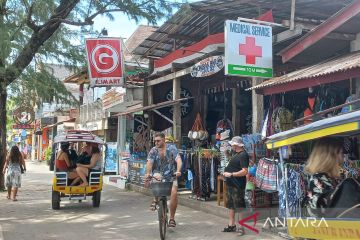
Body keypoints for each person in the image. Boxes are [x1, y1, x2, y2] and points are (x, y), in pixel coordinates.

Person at [145, 133, 182, 228]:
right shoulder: (153, 150)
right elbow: (149, 163)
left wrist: (178, 171)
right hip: (158, 174)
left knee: (174, 193)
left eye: (158, 140)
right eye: (155, 141)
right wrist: (148, 174)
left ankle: (172, 219)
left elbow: (178, 160)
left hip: (171, 175)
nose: (156, 142)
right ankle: (155, 199)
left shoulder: (172, 148)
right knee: (156, 177)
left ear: (164, 140)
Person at [305, 138, 343, 218]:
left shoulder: (332, 178)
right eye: (341, 153)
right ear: (331, 156)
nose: (343, 157)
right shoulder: (318, 180)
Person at [222, 136, 249, 235]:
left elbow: (245, 171)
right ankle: (231, 225)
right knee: (231, 206)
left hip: (238, 185)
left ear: (236, 145)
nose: (231, 145)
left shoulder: (243, 155)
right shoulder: (237, 154)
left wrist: (231, 174)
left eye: (232, 144)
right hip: (232, 184)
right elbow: (235, 165)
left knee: (239, 206)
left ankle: (241, 227)